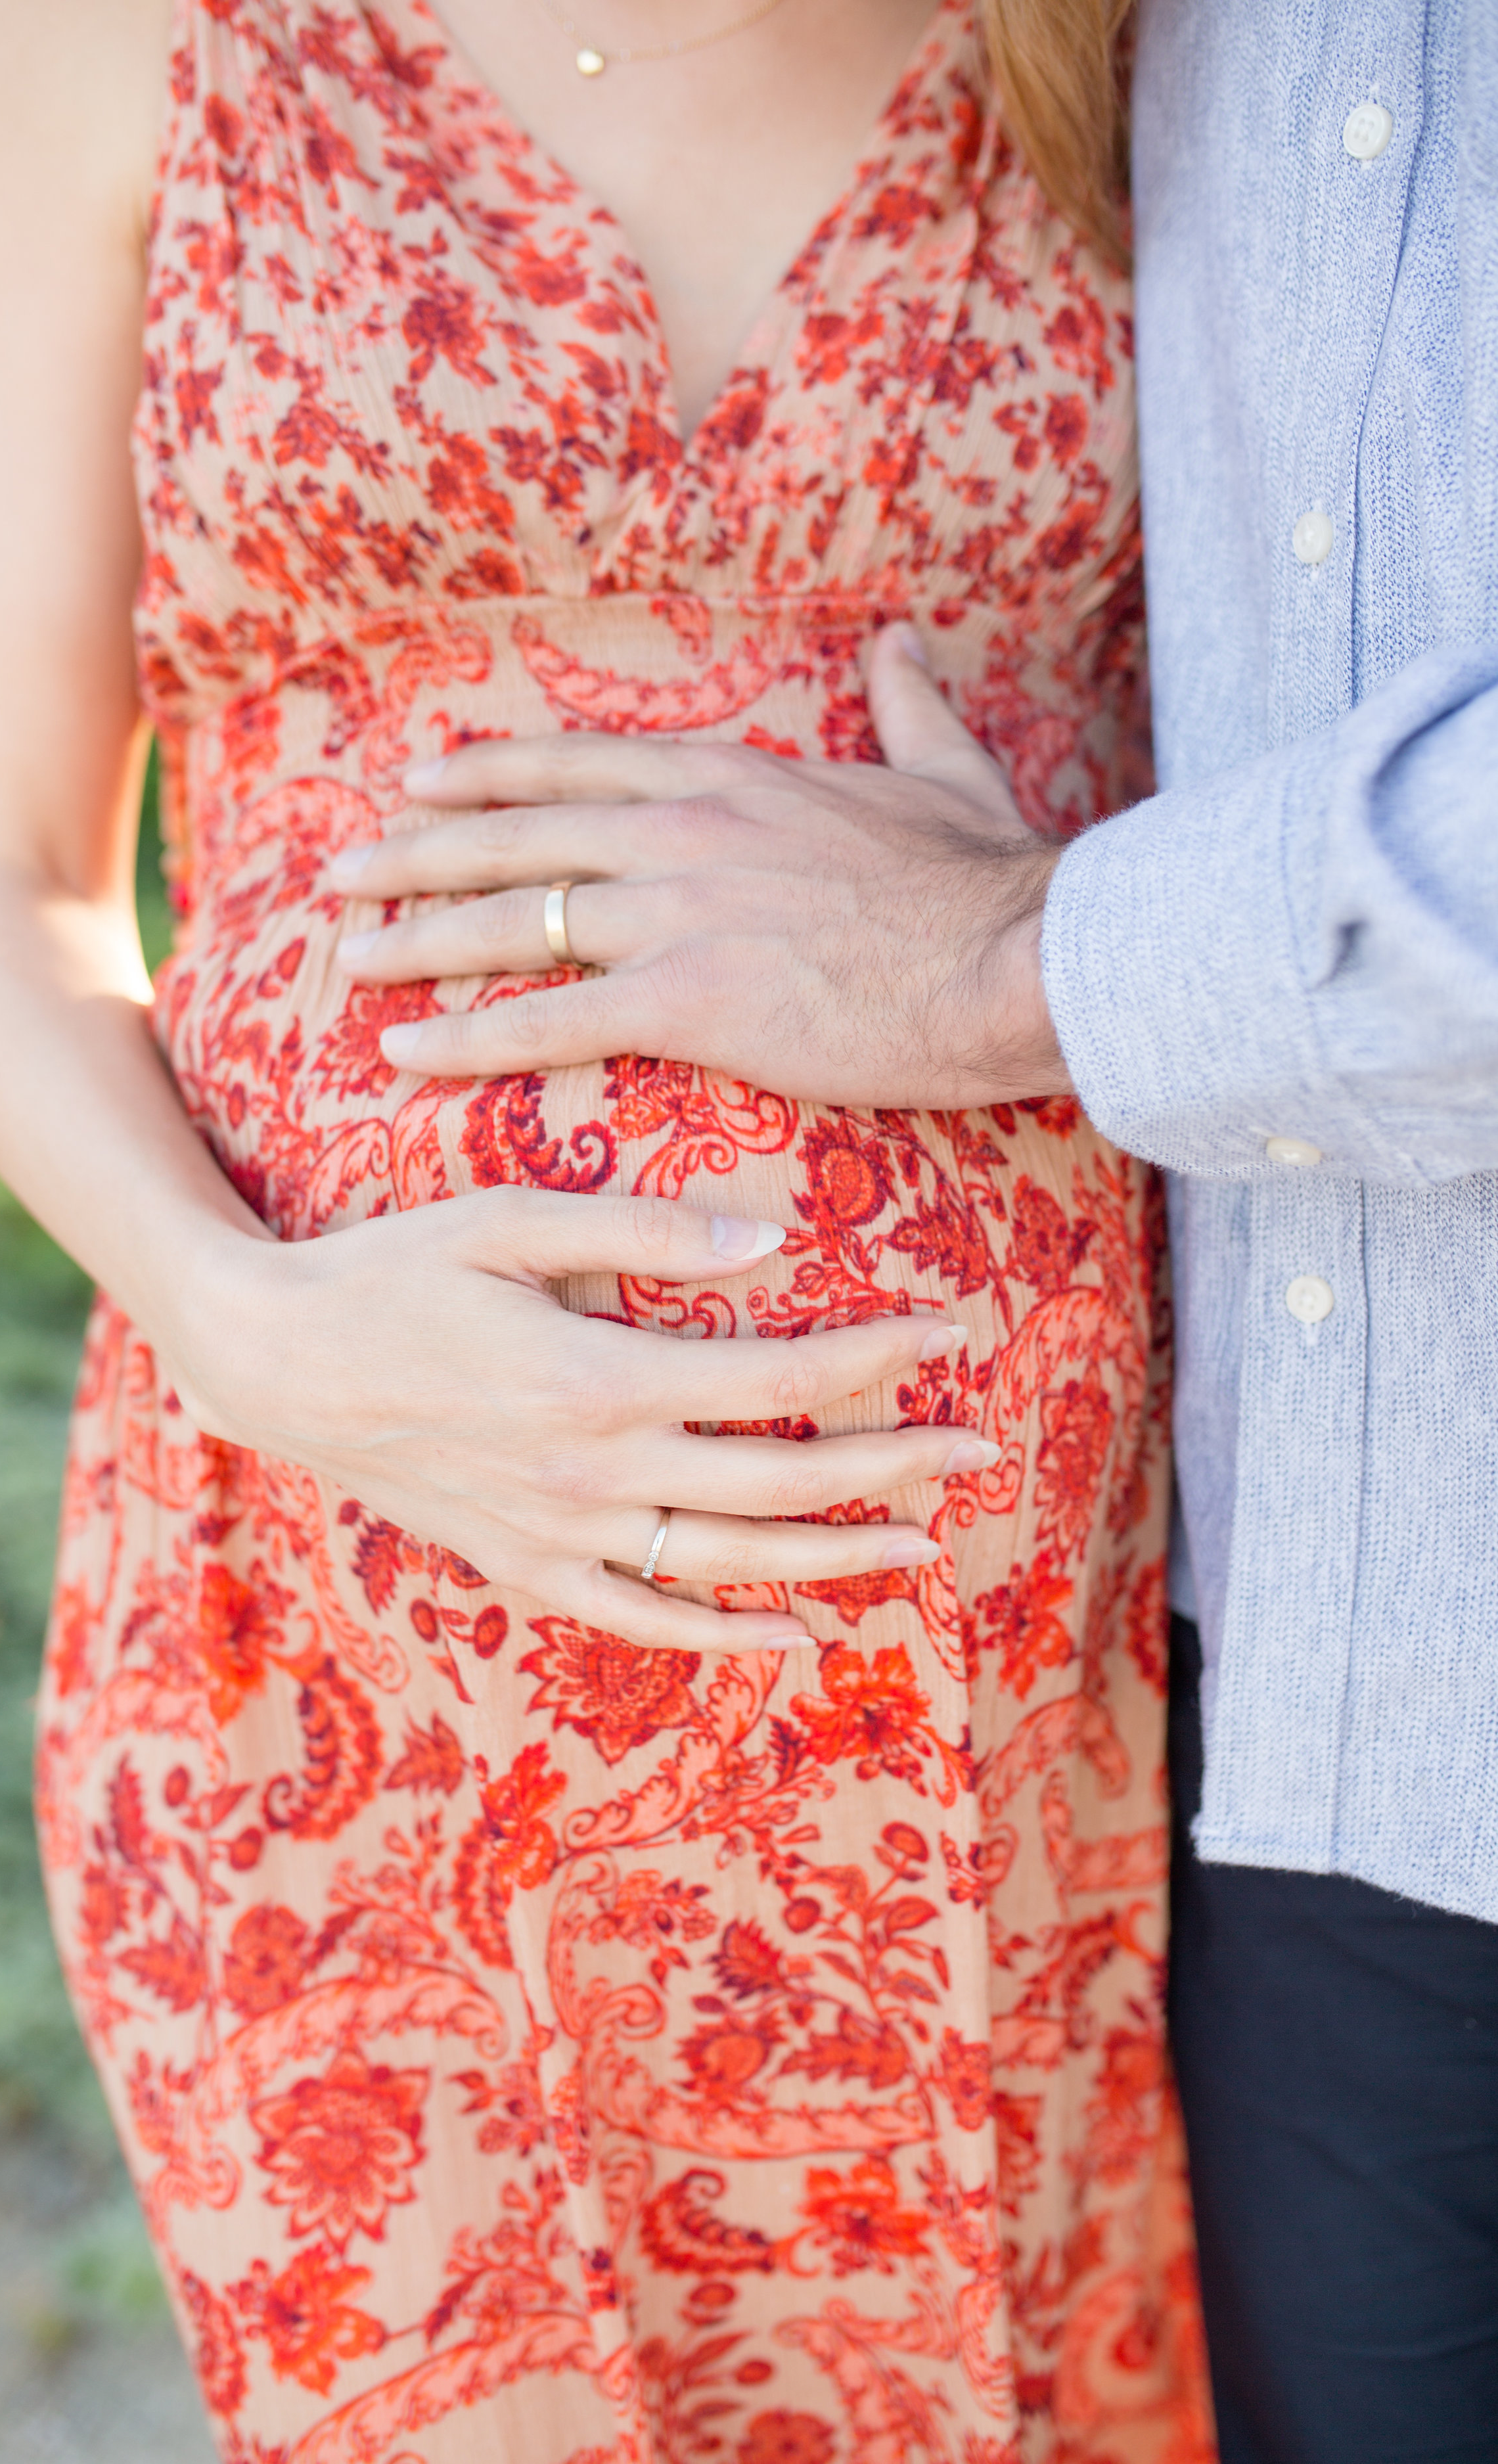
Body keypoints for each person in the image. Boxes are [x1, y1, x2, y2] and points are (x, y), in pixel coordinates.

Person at [0, 0, 1210, 2453]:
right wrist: (236, 1316)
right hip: (337, 1656)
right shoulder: (120, 27)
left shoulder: (1125, 37)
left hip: (1012, 1723)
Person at [367, 1, 1498, 2457]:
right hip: (1279, 1706)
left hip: (1060, 1694)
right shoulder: (1126, 35)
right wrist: (257, 1319)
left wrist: (1007, 960)